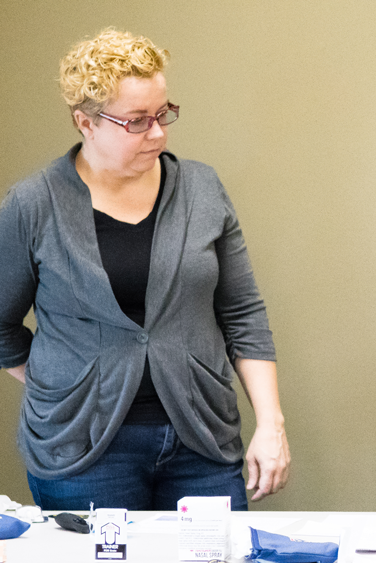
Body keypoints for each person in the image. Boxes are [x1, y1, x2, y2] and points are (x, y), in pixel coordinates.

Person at [0, 28, 290, 511]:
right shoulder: (33, 204)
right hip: (82, 454)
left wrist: (271, 424)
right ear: (86, 122)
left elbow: (243, 316)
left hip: (200, 441)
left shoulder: (201, 189)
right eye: (137, 121)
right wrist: (66, 384)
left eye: (163, 114)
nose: (157, 132)